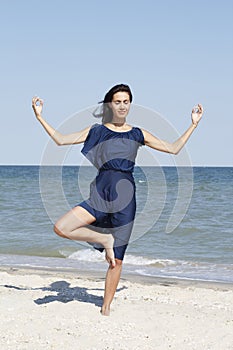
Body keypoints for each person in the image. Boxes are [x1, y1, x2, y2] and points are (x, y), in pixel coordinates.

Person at [32, 84, 203, 316]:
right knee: (61, 227)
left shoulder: (138, 134)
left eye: (126, 101)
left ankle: (105, 308)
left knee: (117, 261)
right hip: (100, 194)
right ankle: (104, 239)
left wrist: (193, 124)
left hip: (125, 199)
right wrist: (40, 117)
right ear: (109, 104)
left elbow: (173, 148)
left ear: (130, 104)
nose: (122, 105)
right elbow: (61, 140)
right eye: (117, 101)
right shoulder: (97, 131)